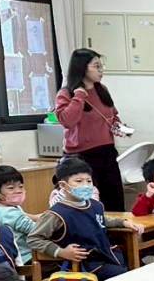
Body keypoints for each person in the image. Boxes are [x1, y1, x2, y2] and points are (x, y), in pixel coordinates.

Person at [28, 157, 142, 281]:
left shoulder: (95, 205)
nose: (86, 185)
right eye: (79, 181)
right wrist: (60, 251)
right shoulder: (56, 213)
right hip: (82, 262)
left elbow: (101, 219)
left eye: (89, 181)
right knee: (120, 276)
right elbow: (34, 238)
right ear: (63, 186)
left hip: (104, 255)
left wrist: (123, 222)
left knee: (135, 271)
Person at [53, 49, 126, 210]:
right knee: (88, 203)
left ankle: (114, 227)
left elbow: (112, 115)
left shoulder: (102, 89)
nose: (101, 70)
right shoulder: (67, 93)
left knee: (114, 200)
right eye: (96, 66)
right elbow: (67, 121)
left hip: (107, 152)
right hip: (82, 157)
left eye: (101, 66)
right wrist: (79, 96)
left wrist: (118, 126)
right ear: (82, 68)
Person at [0, 166, 36, 266]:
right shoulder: (9, 213)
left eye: (20, 186)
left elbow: (23, 216)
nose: (18, 191)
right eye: (11, 188)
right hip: (26, 257)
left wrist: (40, 217)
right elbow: (37, 230)